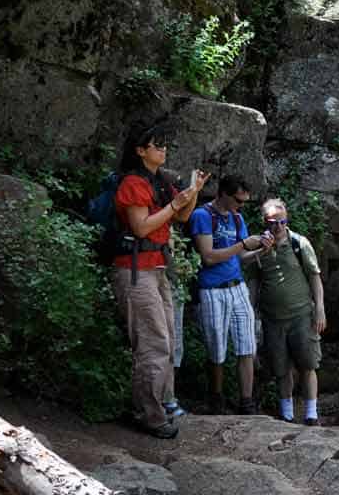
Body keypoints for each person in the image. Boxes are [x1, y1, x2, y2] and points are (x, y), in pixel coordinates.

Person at [110, 125, 207, 438]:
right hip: (135, 269)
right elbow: (141, 228)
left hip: (157, 267)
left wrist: (192, 195)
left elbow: (180, 218)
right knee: (154, 343)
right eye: (157, 145)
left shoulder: (160, 180)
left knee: (168, 340)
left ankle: (163, 403)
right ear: (140, 150)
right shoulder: (133, 182)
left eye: (166, 145)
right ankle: (148, 415)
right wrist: (175, 205)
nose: (163, 149)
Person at [188, 175, 270, 414]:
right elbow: (209, 256)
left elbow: (240, 258)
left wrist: (260, 252)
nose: (241, 205)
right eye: (238, 200)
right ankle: (216, 399)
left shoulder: (237, 218)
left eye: (245, 201)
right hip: (212, 290)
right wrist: (244, 245)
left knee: (247, 345)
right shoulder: (202, 216)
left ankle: (247, 402)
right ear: (223, 193)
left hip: (237, 287)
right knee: (216, 348)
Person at [246, 198, 326, 426]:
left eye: (282, 221)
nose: (278, 226)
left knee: (308, 365)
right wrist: (251, 317)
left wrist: (319, 309)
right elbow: (253, 283)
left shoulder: (299, 243)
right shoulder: (257, 248)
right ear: (265, 221)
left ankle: (311, 415)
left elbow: (314, 276)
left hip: (302, 315)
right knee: (281, 369)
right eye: (273, 222)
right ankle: (287, 415)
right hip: (272, 319)